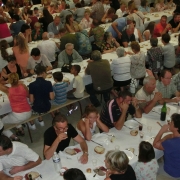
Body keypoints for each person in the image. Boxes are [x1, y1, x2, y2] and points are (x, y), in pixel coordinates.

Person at [0, 72, 31, 140]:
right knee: (10, 114)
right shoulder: (23, 86)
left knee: (1, 124)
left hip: (18, 116)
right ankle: (20, 128)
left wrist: (4, 79)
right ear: (18, 79)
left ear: (9, 80)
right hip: (28, 112)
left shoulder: (8, 90)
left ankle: (14, 136)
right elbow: (28, 95)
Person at [153, 113, 180, 179]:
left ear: (176, 128)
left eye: (171, 122)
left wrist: (161, 131)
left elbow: (155, 144)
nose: (169, 123)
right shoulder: (175, 139)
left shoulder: (171, 143)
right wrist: (164, 138)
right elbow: (171, 136)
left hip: (172, 173)